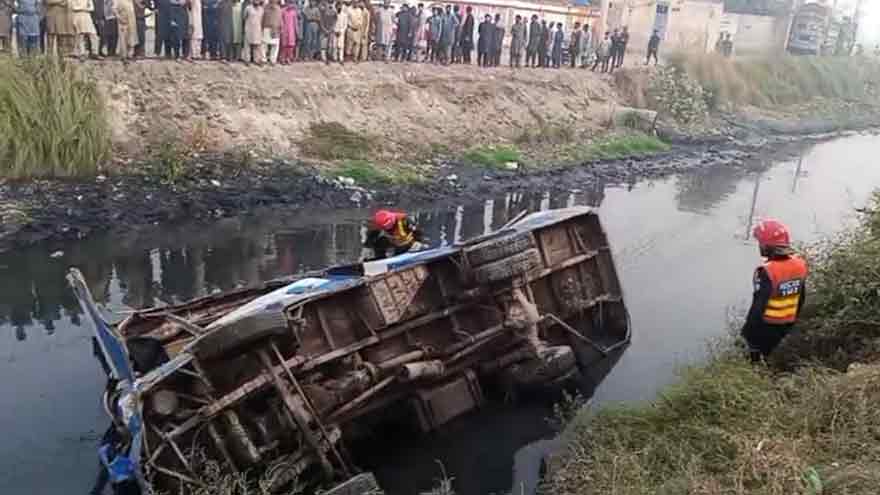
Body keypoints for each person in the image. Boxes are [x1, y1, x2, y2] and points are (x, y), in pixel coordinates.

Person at [741, 219, 808, 363]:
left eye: (760, 243)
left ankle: (757, 368)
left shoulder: (766, 271)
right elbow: (801, 298)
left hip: (766, 327)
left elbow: (758, 306)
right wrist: (793, 322)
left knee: (757, 358)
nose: (759, 246)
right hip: (787, 324)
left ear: (767, 246)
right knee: (771, 354)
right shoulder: (800, 264)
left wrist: (747, 332)